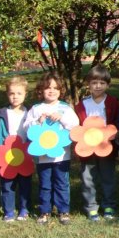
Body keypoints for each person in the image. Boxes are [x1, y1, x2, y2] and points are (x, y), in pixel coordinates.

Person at [24, 71, 79, 225]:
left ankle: (63, 211)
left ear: (60, 91)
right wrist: (38, 121)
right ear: (41, 90)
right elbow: (27, 127)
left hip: (62, 156)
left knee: (62, 183)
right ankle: (45, 211)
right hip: (42, 156)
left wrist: (62, 118)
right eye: (48, 88)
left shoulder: (65, 108)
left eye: (55, 88)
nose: (52, 91)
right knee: (45, 184)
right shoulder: (36, 109)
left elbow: (75, 126)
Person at [74, 64, 119, 222]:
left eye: (102, 83)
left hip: (106, 148)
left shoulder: (113, 102)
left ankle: (109, 206)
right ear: (88, 84)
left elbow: (116, 123)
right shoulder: (82, 105)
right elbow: (77, 126)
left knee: (108, 177)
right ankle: (91, 207)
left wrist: (115, 136)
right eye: (94, 83)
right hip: (87, 149)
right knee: (88, 178)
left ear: (108, 84)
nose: (98, 86)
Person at [0, 77, 31, 222]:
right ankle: (8, 211)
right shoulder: (2, 114)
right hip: (7, 155)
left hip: (24, 155)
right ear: (7, 94)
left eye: (19, 93)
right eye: (12, 93)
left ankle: (24, 209)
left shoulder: (30, 113)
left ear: (25, 94)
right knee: (7, 184)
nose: (15, 96)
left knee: (25, 184)